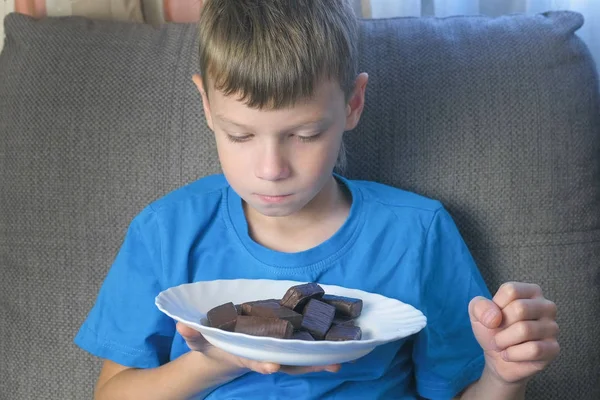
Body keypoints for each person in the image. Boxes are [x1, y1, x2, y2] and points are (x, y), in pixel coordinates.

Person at [74, 1, 560, 399]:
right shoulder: (166, 231)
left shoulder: (417, 233)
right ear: (206, 106)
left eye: (305, 133)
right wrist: (217, 363)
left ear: (353, 104)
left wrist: (502, 376)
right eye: (240, 135)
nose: (271, 169)